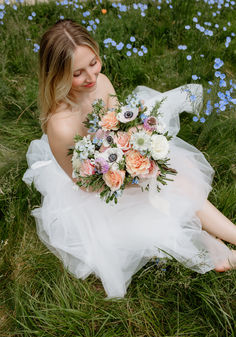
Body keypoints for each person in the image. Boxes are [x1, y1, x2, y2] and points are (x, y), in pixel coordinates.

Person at [23, 20, 236, 299]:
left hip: (119, 159)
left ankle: (220, 237)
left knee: (172, 177)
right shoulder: (60, 125)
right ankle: (214, 239)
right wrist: (130, 177)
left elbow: (118, 123)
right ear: (58, 75)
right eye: (77, 73)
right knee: (163, 190)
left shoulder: (101, 82)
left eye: (94, 62)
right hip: (99, 192)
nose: (91, 76)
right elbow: (85, 184)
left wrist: (138, 150)